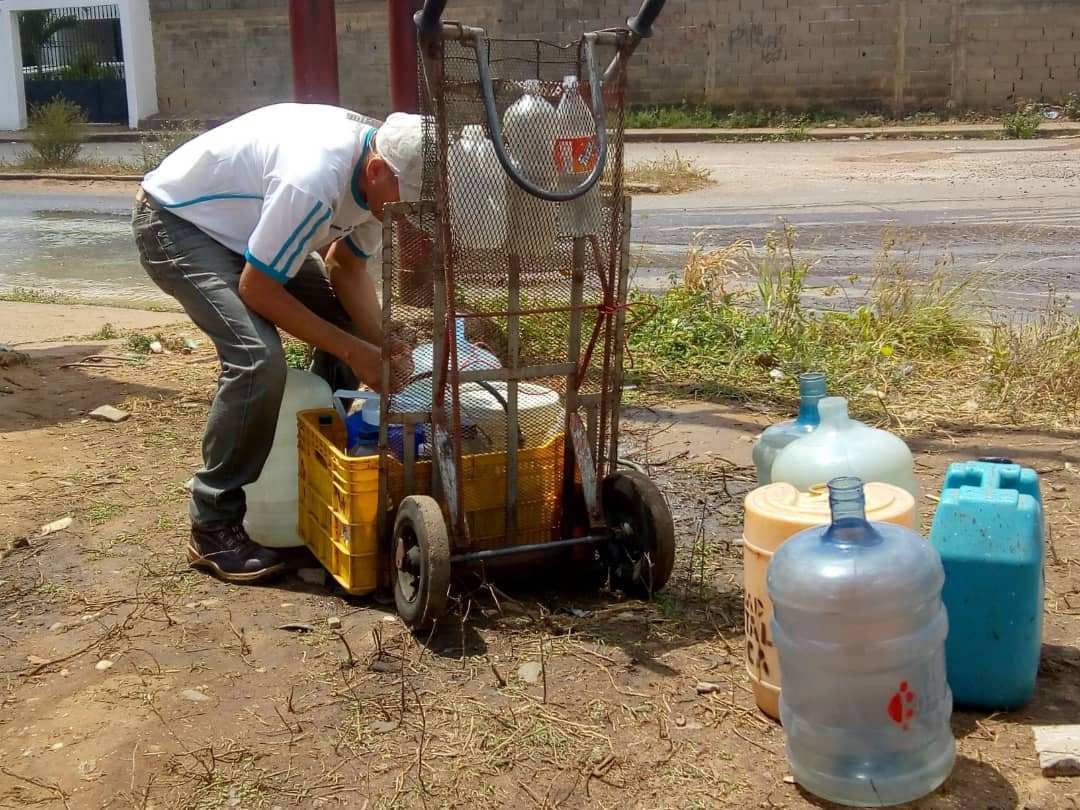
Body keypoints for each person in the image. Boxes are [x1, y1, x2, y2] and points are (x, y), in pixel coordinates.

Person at [132, 103, 420, 585]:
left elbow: (345, 269)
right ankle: (212, 521)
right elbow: (258, 289)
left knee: (349, 329)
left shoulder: (381, 176)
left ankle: (328, 470)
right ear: (375, 171)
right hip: (177, 223)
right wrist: (355, 354)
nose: (405, 215)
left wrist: (378, 342)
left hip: (250, 232)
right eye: (404, 203)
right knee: (256, 360)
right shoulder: (313, 180)